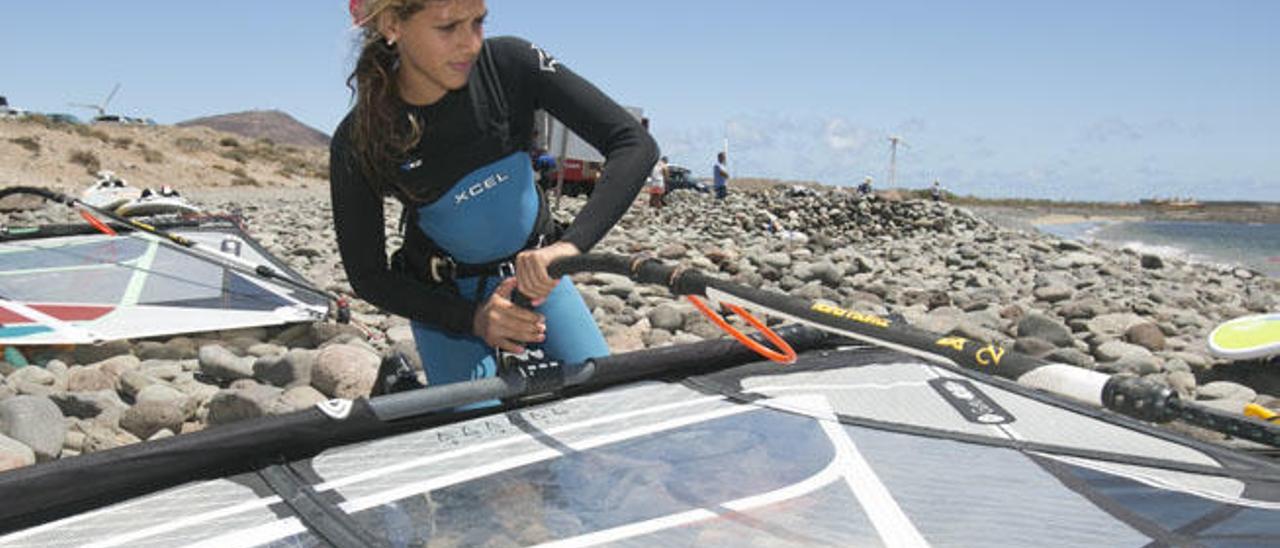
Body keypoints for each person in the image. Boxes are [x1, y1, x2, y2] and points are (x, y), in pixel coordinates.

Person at [330, 0, 658, 403]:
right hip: (446, 301)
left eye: (478, 22)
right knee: (481, 432)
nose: (470, 44)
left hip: (538, 279)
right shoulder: (360, 137)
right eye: (448, 27)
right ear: (392, 24)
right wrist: (473, 319)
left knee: (605, 404)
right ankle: (400, 386)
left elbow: (634, 144)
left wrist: (567, 248)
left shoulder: (510, 63)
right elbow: (367, 276)